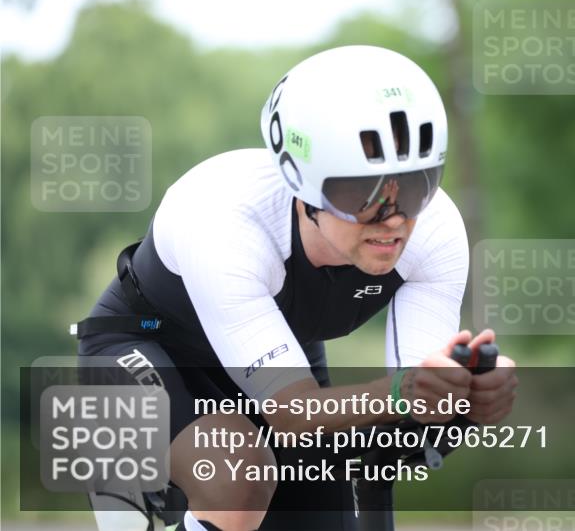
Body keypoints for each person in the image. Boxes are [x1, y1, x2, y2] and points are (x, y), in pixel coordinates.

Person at [75, 46, 518, 531]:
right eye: (363, 194)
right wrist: (400, 394)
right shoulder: (227, 222)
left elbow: (408, 419)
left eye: (415, 186)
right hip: (147, 349)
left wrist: (466, 402)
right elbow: (293, 413)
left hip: (280, 362)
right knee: (237, 477)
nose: (393, 220)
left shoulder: (434, 231)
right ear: (301, 185)